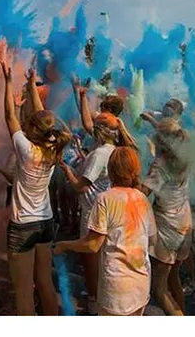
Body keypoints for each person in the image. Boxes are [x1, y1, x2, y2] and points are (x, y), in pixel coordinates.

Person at [1, 62, 71, 316]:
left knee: (23, 291)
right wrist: (31, 86)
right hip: (45, 222)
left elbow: (10, 117)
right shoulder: (53, 147)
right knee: (44, 283)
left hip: (23, 226)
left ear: (33, 129)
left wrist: (8, 82)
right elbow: (45, 120)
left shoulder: (27, 150)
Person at [55, 147, 157, 316]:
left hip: (116, 287)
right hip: (141, 283)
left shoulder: (105, 199)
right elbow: (151, 239)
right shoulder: (142, 199)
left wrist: (64, 245)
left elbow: (93, 245)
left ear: (110, 171)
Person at [61, 110, 136, 314]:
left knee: (91, 258)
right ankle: (105, 298)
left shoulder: (100, 153)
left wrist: (65, 168)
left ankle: (95, 301)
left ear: (98, 131)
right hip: (113, 210)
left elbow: (81, 186)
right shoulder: (116, 150)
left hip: (94, 212)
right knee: (106, 258)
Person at [140, 118, 191, 316]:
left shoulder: (160, 165)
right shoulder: (185, 156)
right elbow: (172, 133)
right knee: (173, 278)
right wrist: (154, 121)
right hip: (184, 224)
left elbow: (142, 192)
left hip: (167, 228)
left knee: (158, 289)